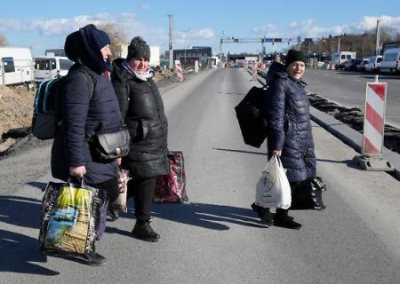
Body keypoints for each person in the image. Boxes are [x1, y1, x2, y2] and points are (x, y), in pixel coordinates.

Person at [50, 24, 123, 265]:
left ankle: (82, 242)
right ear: (90, 49)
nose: (109, 53)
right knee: (89, 204)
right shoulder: (79, 79)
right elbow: (73, 126)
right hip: (88, 157)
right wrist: (77, 162)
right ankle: (81, 245)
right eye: (104, 47)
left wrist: (118, 151)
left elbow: (109, 116)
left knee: (102, 200)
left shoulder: (98, 75)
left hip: (104, 153)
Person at [111, 36, 169, 242]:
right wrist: (118, 149)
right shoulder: (123, 80)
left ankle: (112, 200)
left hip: (153, 139)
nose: (143, 64)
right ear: (129, 58)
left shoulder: (147, 77)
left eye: (146, 59)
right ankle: (142, 223)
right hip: (137, 140)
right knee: (147, 178)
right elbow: (118, 116)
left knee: (146, 179)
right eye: (138, 59)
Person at [251, 49, 316, 230]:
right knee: (287, 178)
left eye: (302, 65)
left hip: (301, 139)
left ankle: (278, 212)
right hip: (286, 139)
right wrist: (278, 143)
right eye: (295, 64)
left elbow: (302, 117)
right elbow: (276, 116)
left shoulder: (298, 85)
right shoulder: (280, 84)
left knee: (293, 178)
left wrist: (309, 141)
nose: (298, 68)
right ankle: (265, 207)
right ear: (287, 66)